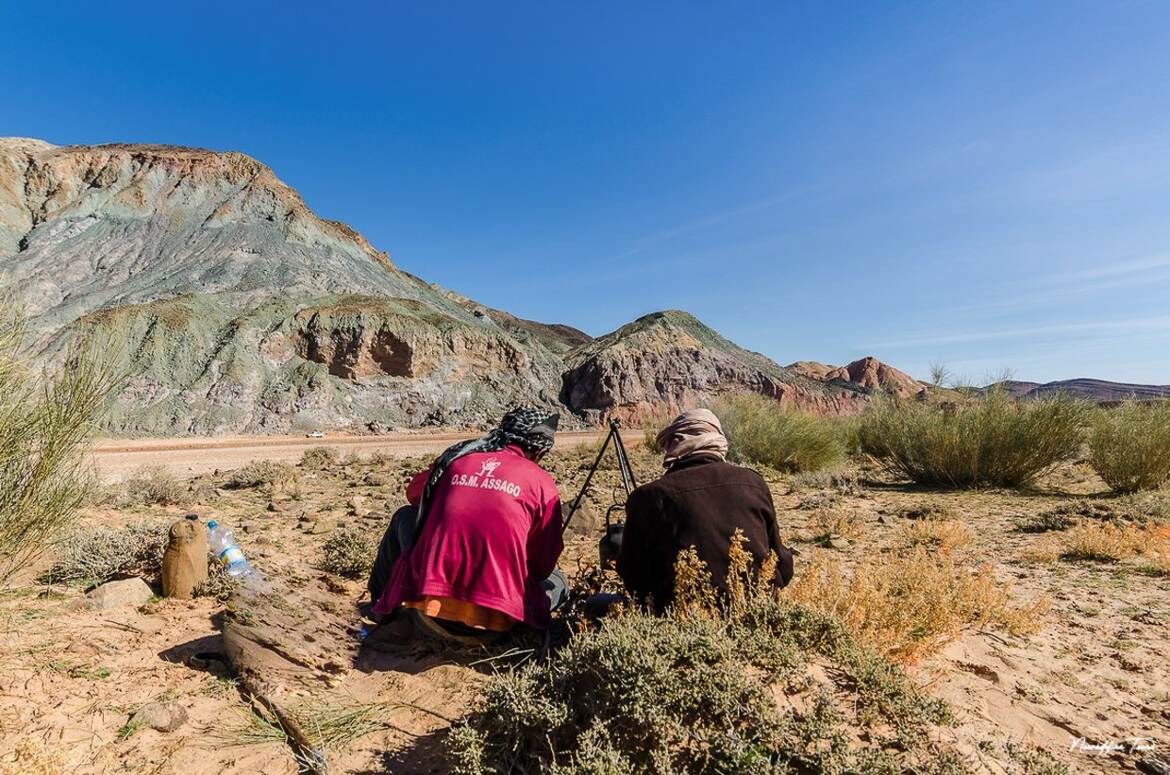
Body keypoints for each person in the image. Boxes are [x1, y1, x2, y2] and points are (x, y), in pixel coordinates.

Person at [368, 405, 567, 642]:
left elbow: (414, 494)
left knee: (405, 516)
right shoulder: (542, 483)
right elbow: (541, 565)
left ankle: (379, 605)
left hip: (428, 616)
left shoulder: (457, 459)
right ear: (540, 450)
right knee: (558, 581)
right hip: (496, 627)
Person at [616, 408, 794, 612]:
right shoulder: (754, 483)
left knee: (596, 605)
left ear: (674, 443)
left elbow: (631, 575)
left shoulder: (648, 496)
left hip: (682, 619)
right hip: (760, 612)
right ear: (717, 441)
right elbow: (782, 564)